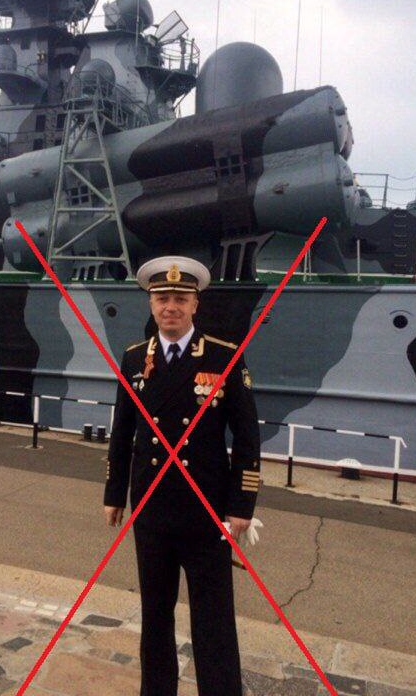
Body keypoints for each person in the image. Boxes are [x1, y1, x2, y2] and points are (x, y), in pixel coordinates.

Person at [104, 255, 262, 696]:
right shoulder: (134, 358)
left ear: (195, 304)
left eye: (179, 298)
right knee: (155, 614)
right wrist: (115, 492)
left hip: (206, 512)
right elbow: (123, 431)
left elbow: (247, 436)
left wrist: (242, 506)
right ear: (151, 304)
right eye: (162, 298)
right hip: (152, 509)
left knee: (213, 618)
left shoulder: (224, 357)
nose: (170, 307)